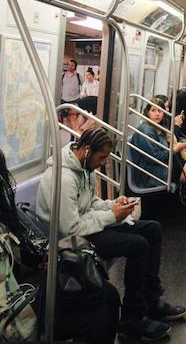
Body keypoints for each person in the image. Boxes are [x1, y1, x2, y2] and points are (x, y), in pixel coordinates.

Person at [36, 128, 186, 340]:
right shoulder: (63, 178)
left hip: (87, 226)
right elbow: (70, 228)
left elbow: (91, 203)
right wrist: (111, 217)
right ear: (87, 150)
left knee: (153, 229)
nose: (104, 162)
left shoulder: (85, 167)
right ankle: (131, 319)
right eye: (102, 157)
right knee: (138, 245)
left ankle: (150, 300)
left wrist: (113, 204)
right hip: (70, 241)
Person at [0, 147, 120, 344]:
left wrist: (40, 260)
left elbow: (19, 250)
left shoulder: (6, 215)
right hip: (12, 307)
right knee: (98, 314)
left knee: (108, 294)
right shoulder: (66, 178)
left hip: (24, 283)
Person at [131, 97, 186, 230]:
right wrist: (175, 150)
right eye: (153, 110)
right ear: (147, 112)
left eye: (160, 111)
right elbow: (154, 158)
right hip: (153, 171)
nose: (157, 114)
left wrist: (182, 152)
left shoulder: (156, 127)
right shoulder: (145, 131)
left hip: (165, 165)